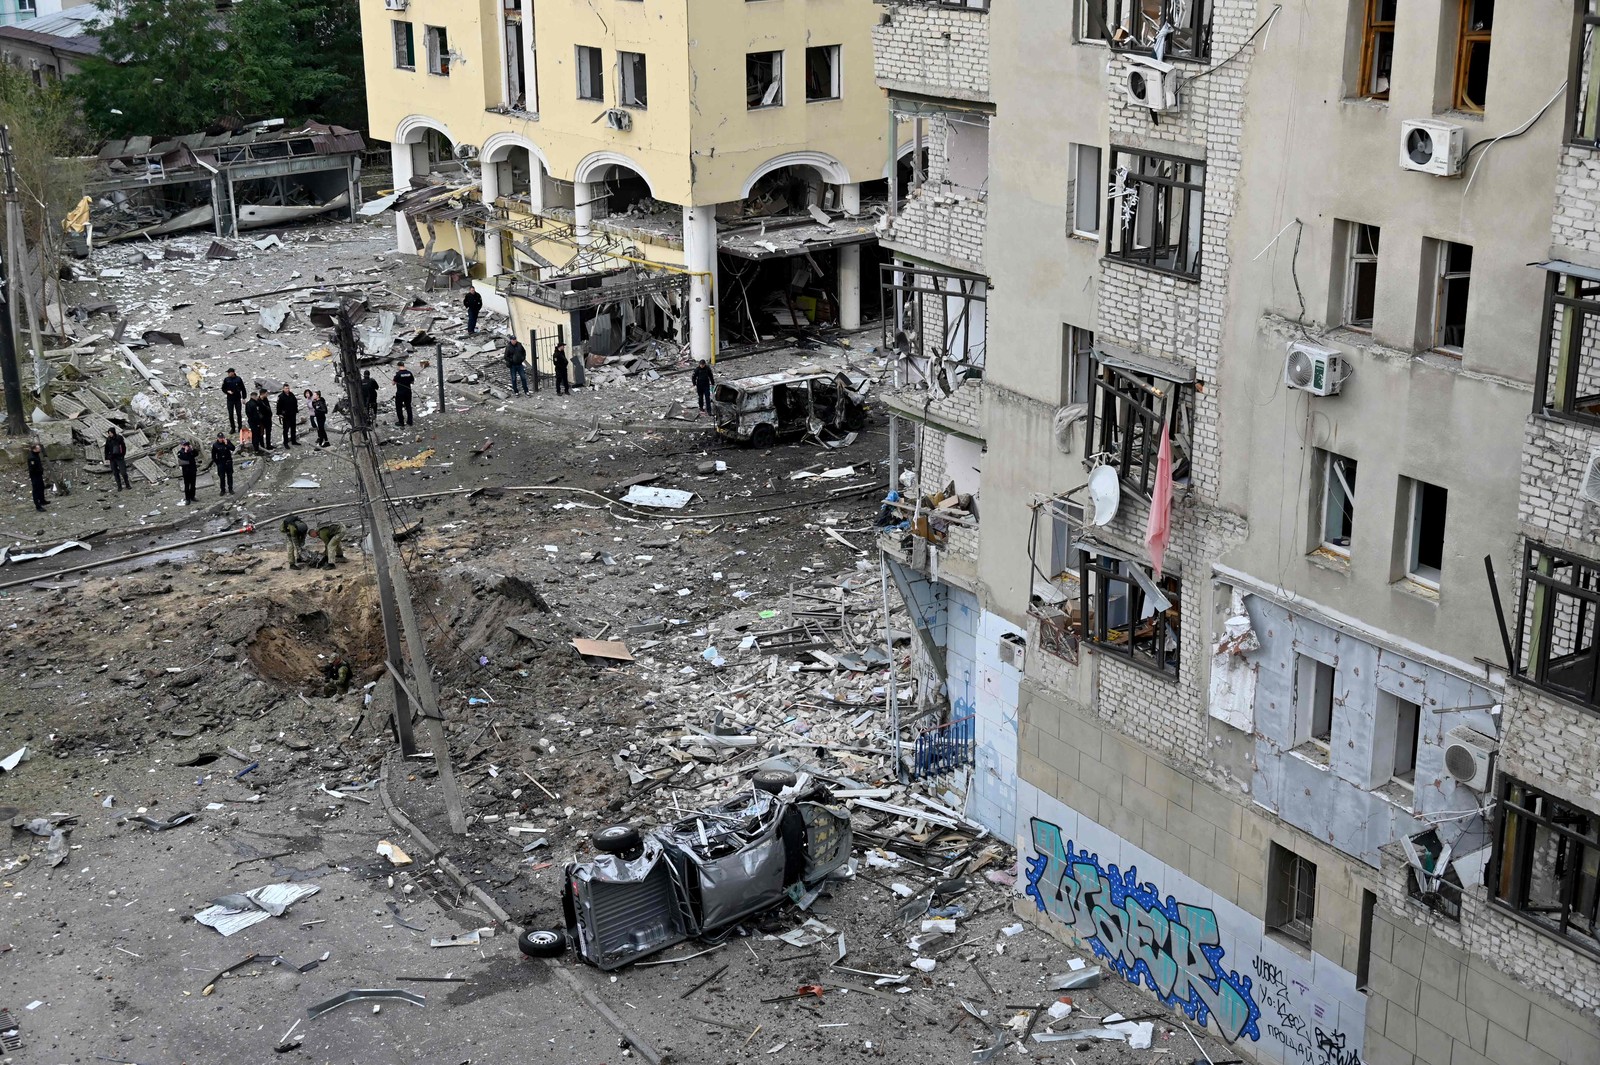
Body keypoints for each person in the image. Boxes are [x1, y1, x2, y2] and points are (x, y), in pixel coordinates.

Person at [175, 440, 199, 505]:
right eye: (184, 445)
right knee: (187, 485)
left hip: (193, 469)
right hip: (186, 471)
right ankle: (187, 498)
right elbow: (185, 458)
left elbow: (196, 454)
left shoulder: (191, 451)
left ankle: (192, 496)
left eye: (187, 445)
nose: (186, 446)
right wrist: (185, 452)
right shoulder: (180, 452)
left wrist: (193, 449)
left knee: (193, 485)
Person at [25, 442, 46, 511]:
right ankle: (38, 506)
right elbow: (33, 468)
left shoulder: (36, 454)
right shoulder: (32, 458)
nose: (40, 449)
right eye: (38, 448)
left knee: (41, 487)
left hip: (39, 474)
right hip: (35, 476)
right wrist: (38, 472)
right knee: (36, 490)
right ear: (34, 449)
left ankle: (42, 500)